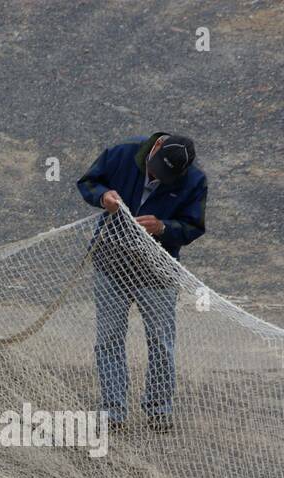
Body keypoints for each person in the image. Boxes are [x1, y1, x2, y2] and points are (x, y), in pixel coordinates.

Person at [77, 133, 207, 432]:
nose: (154, 177)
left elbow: (193, 227)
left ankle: (159, 409)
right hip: (111, 263)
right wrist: (103, 197)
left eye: (163, 177)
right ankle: (114, 413)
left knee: (161, 342)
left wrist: (163, 227)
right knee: (109, 339)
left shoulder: (195, 181)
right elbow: (88, 182)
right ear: (156, 147)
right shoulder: (122, 153)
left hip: (157, 272)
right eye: (153, 170)